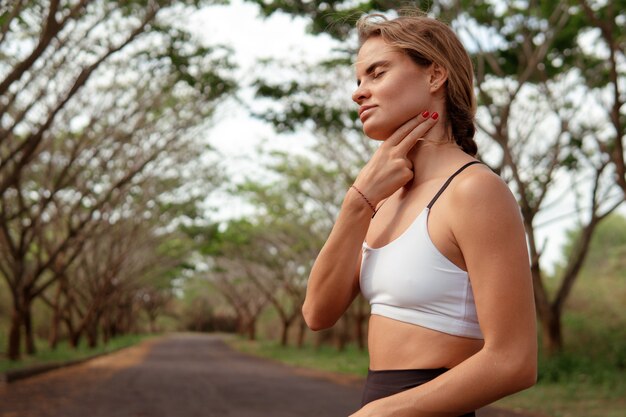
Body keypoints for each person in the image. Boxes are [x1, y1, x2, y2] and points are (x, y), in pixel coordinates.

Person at [301, 11, 538, 417]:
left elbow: (514, 361)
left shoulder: (474, 191)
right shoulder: (382, 201)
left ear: (434, 77)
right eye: (358, 80)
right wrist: (357, 202)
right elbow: (317, 313)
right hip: (376, 401)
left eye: (377, 73)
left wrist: (383, 413)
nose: (359, 92)